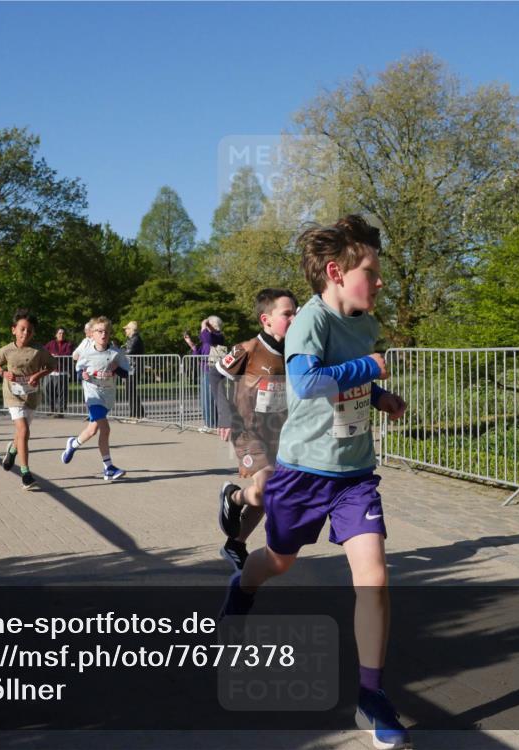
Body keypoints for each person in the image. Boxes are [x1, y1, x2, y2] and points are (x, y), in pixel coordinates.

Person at [219, 216, 409, 749]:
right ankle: (242, 587)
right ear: (336, 272)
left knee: (374, 577)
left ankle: (371, 696)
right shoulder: (310, 321)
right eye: (370, 271)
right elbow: (306, 382)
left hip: (354, 475)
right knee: (279, 561)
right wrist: (368, 370)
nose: (379, 282)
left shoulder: (366, 325)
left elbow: (350, 380)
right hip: (303, 471)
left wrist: (380, 398)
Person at [213, 289, 298, 571]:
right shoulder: (248, 349)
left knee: (268, 494)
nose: (293, 319)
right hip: (246, 430)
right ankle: (233, 497)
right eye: (287, 314)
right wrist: (224, 415)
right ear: (266, 319)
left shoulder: (295, 351)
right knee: (267, 488)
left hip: (278, 433)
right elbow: (214, 375)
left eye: (296, 313)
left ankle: (235, 544)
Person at [61, 316, 130, 481]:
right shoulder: (86, 352)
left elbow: (127, 374)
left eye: (106, 331)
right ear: (92, 333)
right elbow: (78, 370)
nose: (103, 334)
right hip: (92, 395)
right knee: (105, 429)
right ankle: (109, 467)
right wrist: (82, 375)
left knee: (92, 431)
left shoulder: (116, 353)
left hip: (108, 396)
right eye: (99, 331)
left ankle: (73, 444)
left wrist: (116, 369)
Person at [0, 309, 55, 491]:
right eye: (22, 329)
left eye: (29, 330)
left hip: (31, 395)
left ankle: (12, 451)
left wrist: (38, 374)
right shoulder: (6, 350)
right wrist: (4, 372)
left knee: (22, 432)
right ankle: (25, 474)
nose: (25, 333)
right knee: (24, 430)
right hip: (12, 395)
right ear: (14, 330)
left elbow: (52, 365)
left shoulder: (39, 350)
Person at [183, 316, 225, 429]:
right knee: (205, 398)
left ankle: (212, 425)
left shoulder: (218, 336)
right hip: (205, 370)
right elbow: (199, 353)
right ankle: (209, 424)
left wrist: (203, 325)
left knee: (210, 398)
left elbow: (206, 338)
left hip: (213, 371)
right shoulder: (209, 340)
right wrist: (190, 343)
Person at [44, 327, 74, 417]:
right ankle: (51, 408)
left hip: (62, 372)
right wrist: (50, 355)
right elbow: (44, 351)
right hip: (50, 371)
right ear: (56, 335)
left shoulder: (68, 344)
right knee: (47, 390)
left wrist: (56, 355)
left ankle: (61, 411)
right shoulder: (51, 343)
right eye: (60, 333)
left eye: (63, 333)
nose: (61, 335)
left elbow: (68, 353)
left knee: (62, 392)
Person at [121, 320, 146, 419]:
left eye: (127, 329)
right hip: (131, 368)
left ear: (131, 329)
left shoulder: (135, 339)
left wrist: (119, 351)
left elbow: (129, 352)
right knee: (130, 391)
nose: (125, 331)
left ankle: (136, 414)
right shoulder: (132, 339)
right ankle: (137, 413)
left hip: (134, 368)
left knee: (131, 391)